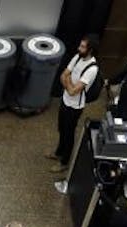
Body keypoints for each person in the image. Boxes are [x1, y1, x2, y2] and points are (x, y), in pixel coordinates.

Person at [48, 34, 100, 171]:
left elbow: (73, 91)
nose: (79, 48)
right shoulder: (77, 57)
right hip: (65, 100)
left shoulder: (92, 68)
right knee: (61, 128)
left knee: (68, 133)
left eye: (82, 47)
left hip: (75, 107)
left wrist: (68, 81)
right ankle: (58, 152)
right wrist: (69, 82)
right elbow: (63, 75)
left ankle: (64, 162)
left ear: (90, 50)